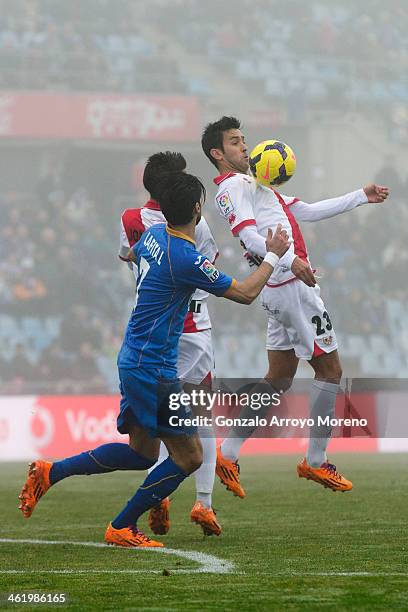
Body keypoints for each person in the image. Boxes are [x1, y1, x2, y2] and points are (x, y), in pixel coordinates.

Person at [19, 170, 290, 548]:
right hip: (154, 370)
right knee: (191, 456)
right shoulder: (185, 257)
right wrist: (273, 255)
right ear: (197, 209)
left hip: (133, 357)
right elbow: (245, 293)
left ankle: (51, 472)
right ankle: (122, 525)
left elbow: (131, 254)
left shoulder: (152, 236)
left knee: (142, 454)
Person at [201, 116, 389, 497]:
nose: (245, 147)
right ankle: (316, 460)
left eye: (245, 140)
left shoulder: (255, 185)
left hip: (280, 287)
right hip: (291, 287)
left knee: (280, 376)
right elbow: (250, 237)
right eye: (236, 142)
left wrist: (359, 196)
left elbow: (306, 210)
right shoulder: (235, 186)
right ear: (218, 154)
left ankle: (229, 452)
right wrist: (290, 262)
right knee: (330, 369)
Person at [119, 151, 221, 536]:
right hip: (191, 327)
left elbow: (129, 256)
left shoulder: (132, 220)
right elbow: (206, 268)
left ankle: (160, 497)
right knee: (196, 415)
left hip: (149, 327)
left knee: (162, 421)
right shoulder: (192, 226)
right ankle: (203, 502)